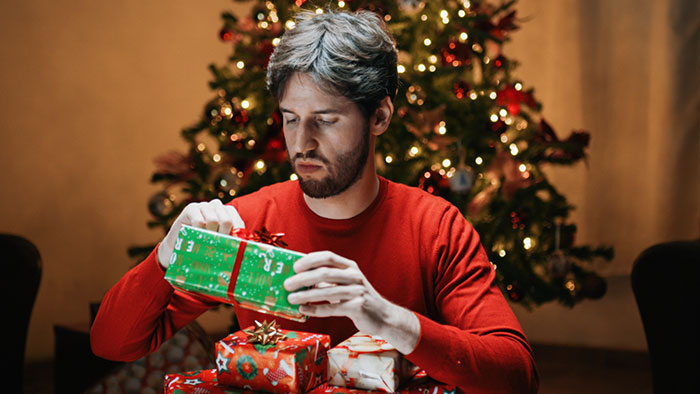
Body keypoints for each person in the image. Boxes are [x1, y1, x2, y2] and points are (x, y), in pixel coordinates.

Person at [91, 9, 539, 393]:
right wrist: (165, 256)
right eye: (290, 119)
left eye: (325, 120)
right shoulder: (247, 221)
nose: (301, 143)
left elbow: (517, 376)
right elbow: (112, 344)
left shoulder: (434, 227)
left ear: (378, 116)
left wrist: (384, 317)